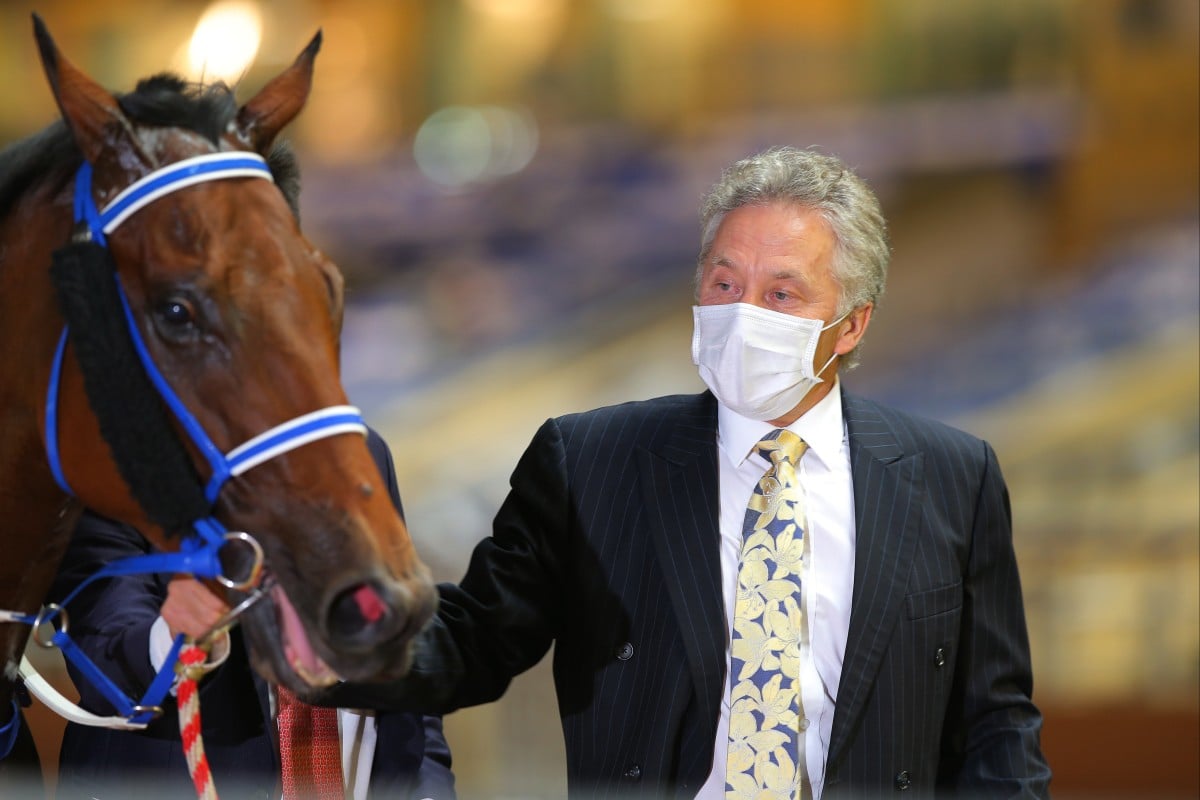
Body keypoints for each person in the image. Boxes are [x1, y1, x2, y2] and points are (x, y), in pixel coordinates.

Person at [328, 145, 1052, 798]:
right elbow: (471, 644)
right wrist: (313, 624)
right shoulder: (588, 464)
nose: (742, 315)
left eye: (780, 294)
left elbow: (996, 722)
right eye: (724, 283)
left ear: (853, 324)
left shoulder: (953, 477)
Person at [48, 429, 456, 800]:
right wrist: (173, 639)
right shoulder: (113, 462)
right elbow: (98, 649)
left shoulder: (362, 450)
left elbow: (408, 670)